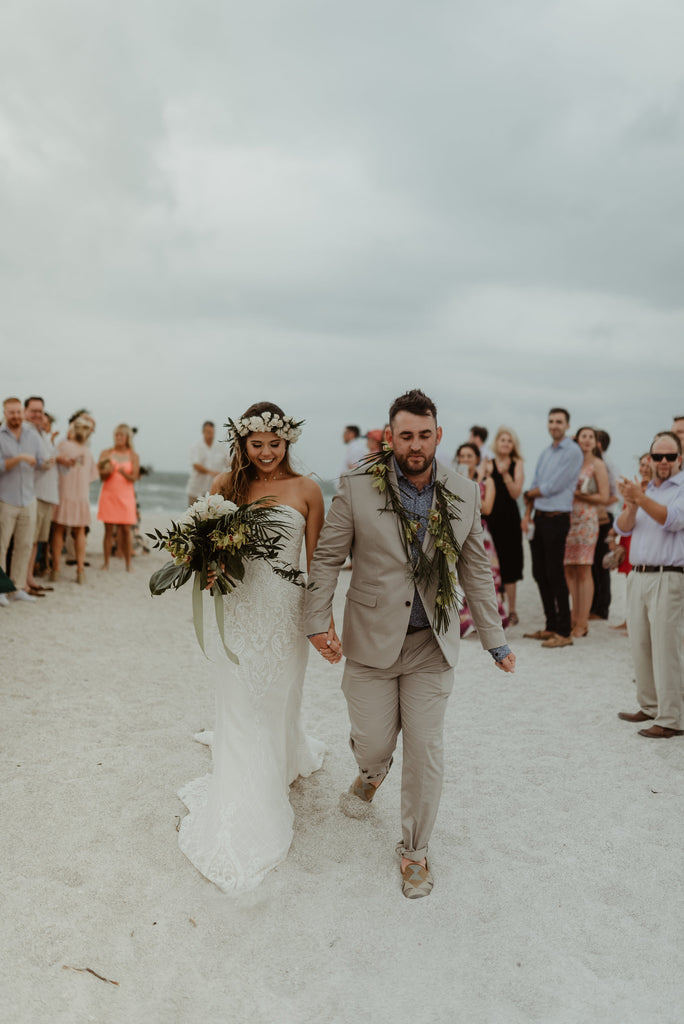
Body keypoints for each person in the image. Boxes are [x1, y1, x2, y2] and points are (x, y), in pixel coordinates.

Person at [304, 389, 515, 900]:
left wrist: (495, 639)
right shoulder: (356, 487)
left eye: (425, 435)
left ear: (438, 435)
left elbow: (476, 569)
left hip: (431, 645)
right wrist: (316, 620)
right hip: (370, 642)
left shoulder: (463, 490)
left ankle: (415, 849)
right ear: (389, 436)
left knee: (426, 749)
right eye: (405, 435)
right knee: (375, 740)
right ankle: (373, 771)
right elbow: (328, 557)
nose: (415, 445)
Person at [177, 401, 326, 893]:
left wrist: (321, 621)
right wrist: (207, 566)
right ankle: (248, 795)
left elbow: (319, 562)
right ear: (242, 443)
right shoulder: (225, 487)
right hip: (238, 611)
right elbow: (205, 547)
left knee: (277, 697)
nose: (265, 452)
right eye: (256, 443)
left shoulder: (307, 490)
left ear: (288, 441)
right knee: (241, 701)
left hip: (285, 611)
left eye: (274, 443)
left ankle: (281, 760)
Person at [615, 431, 684, 739]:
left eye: (670, 456)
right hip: (639, 575)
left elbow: (671, 520)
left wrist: (640, 497)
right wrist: (633, 500)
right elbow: (624, 527)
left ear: (680, 458)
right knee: (640, 643)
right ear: (651, 459)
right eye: (658, 457)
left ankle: (672, 717)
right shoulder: (646, 489)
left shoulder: (680, 489)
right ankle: (650, 705)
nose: (664, 462)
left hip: (668, 575)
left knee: (667, 647)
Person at [522, 408, 583, 648]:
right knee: (539, 572)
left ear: (567, 425)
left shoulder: (573, 451)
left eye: (559, 421)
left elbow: (552, 486)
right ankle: (550, 626)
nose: (554, 425)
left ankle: (565, 630)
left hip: (558, 517)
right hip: (540, 517)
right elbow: (535, 483)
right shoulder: (546, 452)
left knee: (555, 572)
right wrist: (527, 514)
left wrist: (530, 493)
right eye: (551, 421)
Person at [453, 442, 509, 636]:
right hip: (459, 531)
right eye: (462, 456)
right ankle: (466, 619)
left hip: (481, 532)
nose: (466, 459)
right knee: (461, 576)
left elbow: (487, 508)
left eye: (469, 456)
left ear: (477, 459)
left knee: (487, 577)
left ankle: (489, 621)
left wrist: (469, 487)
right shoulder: (453, 479)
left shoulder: (486, 480)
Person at [563, 427, 610, 638]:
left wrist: (580, 496)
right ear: (577, 439)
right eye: (584, 436)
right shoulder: (570, 462)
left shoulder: (598, 465)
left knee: (583, 568)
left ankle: (583, 621)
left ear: (596, 442)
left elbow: (604, 497)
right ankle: (574, 617)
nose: (588, 440)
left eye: (592, 437)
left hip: (587, 519)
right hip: (568, 519)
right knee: (569, 569)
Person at [0, 396, 44, 602]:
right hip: (5, 499)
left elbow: (42, 461)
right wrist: (19, 458)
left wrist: (44, 462)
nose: (16, 416)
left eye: (18, 412)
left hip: (28, 498)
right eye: (11, 412)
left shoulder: (32, 435)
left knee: (25, 545)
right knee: (1, 546)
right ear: (4, 413)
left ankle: (16, 588)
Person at [51, 417, 99, 583]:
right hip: (81, 496)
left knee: (59, 530)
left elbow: (53, 462)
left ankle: (55, 570)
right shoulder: (87, 451)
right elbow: (93, 475)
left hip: (64, 493)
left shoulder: (63, 446)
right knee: (80, 532)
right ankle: (80, 571)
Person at [484, 426, 524, 624]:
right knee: (492, 563)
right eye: (503, 440)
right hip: (491, 518)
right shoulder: (487, 464)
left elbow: (517, 493)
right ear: (496, 443)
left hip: (510, 519)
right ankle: (496, 607)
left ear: (513, 445)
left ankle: (513, 609)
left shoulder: (517, 464)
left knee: (510, 564)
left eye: (509, 441)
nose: (506, 444)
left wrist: (505, 474)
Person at [97, 424, 139, 572]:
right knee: (108, 530)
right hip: (109, 494)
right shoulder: (106, 453)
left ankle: (128, 564)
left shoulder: (133, 455)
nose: (119, 438)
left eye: (121, 435)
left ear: (127, 437)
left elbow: (134, 477)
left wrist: (123, 473)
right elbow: (101, 476)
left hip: (126, 496)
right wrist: (107, 471)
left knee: (126, 530)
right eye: (116, 435)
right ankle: (106, 563)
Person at [589, 429, 619, 621]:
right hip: (592, 515)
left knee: (602, 562)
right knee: (590, 564)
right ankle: (593, 607)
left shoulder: (608, 464)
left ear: (599, 444)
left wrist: (597, 502)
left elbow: (616, 494)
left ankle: (602, 609)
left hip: (605, 516)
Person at [186, 420, 225, 506]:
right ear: (203, 432)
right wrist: (212, 473)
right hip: (195, 491)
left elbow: (229, 462)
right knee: (193, 518)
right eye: (208, 432)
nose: (211, 434)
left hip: (213, 493)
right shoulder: (196, 446)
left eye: (212, 432)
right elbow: (196, 465)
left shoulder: (221, 447)